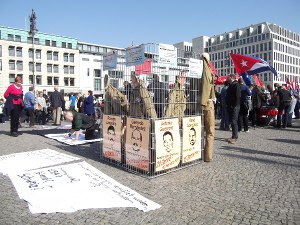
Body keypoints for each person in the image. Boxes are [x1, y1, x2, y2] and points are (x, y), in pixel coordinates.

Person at [200, 53, 215, 161]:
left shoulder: (197, 68)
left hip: (199, 104)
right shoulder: (207, 70)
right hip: (207, 104)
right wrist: (205, 101)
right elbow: (207, 85)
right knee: (210, 132)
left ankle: (197, 154)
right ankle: (207, 157)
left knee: (199, 131)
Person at [225, 74, 241, 144]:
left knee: (234, 122)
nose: (226, 78)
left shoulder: (236, 85)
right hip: (231, 106)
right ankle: (233, 136)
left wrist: (233, 105)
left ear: (231, 77)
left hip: (234, 106)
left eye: (227, 77)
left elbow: (237, 97)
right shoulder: (231, 85)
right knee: (232, 121)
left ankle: (235, 137)